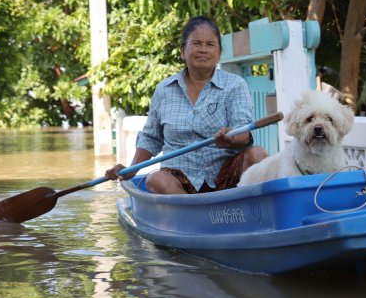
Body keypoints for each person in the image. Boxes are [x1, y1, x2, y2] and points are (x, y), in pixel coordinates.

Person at [105, 16, 267, 194]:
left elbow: (243, 131)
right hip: (179, 178)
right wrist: (130, 171)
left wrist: (231, 139)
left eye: (210, 44)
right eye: (196, 43)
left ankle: (242, 210)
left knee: (258, 155)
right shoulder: (164, 90)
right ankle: (195, 215)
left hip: (226, 175)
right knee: (155, 180)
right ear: (183, 51)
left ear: (219, 53)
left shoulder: (235, 85)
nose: (203, 50)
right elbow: (151, 138)